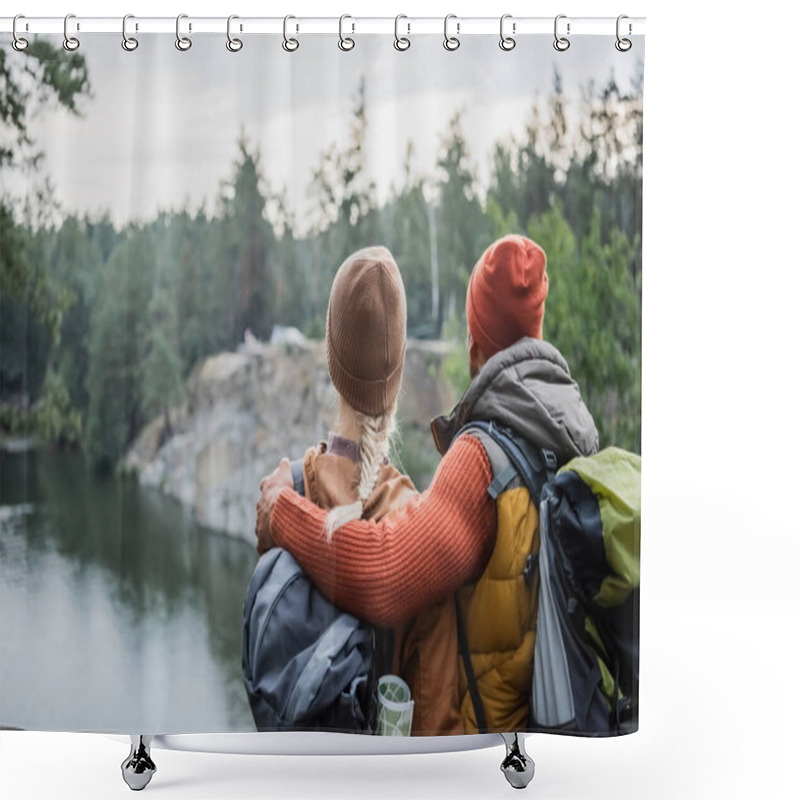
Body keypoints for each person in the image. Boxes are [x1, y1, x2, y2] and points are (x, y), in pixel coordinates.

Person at [256, 234, 599, 733]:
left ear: (474, 344)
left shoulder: (481, 460)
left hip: (476, 756)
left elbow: (386, 576)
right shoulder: (570, 430)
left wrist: (282, 509)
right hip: (537, 735)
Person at [255, 245, 463, 735]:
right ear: (398, 370)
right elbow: (433, 705)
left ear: (332, 360)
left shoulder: (288, 491)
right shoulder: (412, 521)